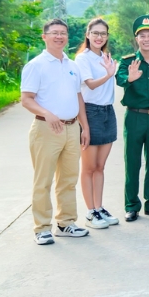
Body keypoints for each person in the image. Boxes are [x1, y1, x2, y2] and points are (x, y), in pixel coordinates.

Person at [21, 19, 90, 245]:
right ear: (45, 36)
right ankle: (41, 227)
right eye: (54, 33)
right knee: (43, 180)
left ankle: (66, 223)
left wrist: (84, 126)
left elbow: (78, 96)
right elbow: (26, 99)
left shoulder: (72, 66)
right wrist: (48, 114)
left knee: (68, 179)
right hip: (46, 128)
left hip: (72, 129)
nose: (59, 36)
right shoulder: (36, 65)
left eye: (63, 33)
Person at [116, 15, 149, 222]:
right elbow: (120, 80)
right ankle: (131, 205)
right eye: (142, 36)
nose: (146, 39)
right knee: (132, 162)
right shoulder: (128, 61)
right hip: (135, 117)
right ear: (136, 38)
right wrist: (129, 78)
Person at [75, 17, 120, 229]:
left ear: (107, 36)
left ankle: (99, 207)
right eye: (95, 33)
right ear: (88, 34)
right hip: (91, 112)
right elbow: (90, 85)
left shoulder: (106, 57)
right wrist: (109, 74)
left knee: (100, 166)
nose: (99, 37)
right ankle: (91, 212)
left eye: (103, 33)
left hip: (107, 112)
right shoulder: (82, 59)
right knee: (89, 167)